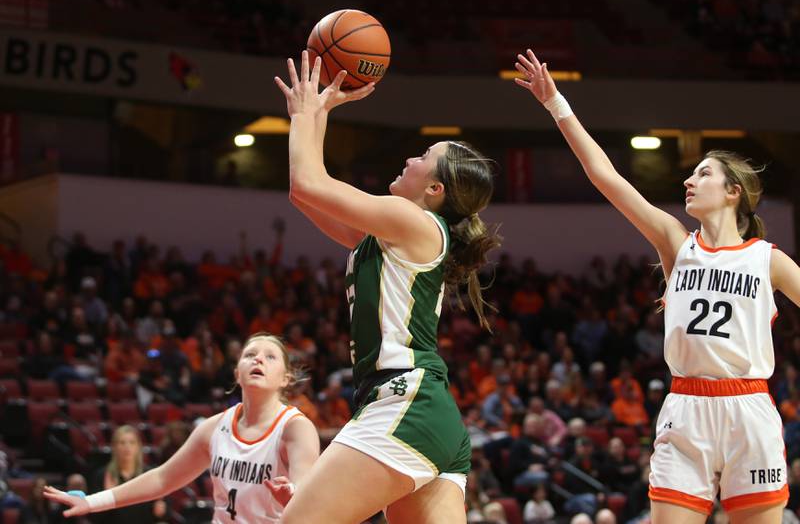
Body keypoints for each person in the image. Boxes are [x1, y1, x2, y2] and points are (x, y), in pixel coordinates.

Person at [515, 48, 800, 523]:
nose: (689, 180)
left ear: (734, 192)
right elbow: (605, 177)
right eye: (691, 172)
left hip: (749, 405)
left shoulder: (766, 258)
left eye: (703, 173)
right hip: (685, 407)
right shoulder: (675, 241)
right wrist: (555, 104)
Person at [273, 51, 501, 524]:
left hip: (403, 403)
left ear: (434, 190)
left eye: (422, 158)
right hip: (426, 414)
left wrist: (307, 113)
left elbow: (309, 180)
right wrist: (319, 113)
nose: (409, 158)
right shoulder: (389, 234)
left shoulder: (412, 219)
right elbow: (302, 193)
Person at [43, 333, 319, 523]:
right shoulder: (214, 428)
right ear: (237, 372)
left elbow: (309, 501)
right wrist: (91, 501)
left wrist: (293, 499)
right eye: (250, 354)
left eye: (270, 357)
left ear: (285, 378)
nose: (258, 359)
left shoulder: (295, 429)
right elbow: (163, 479)